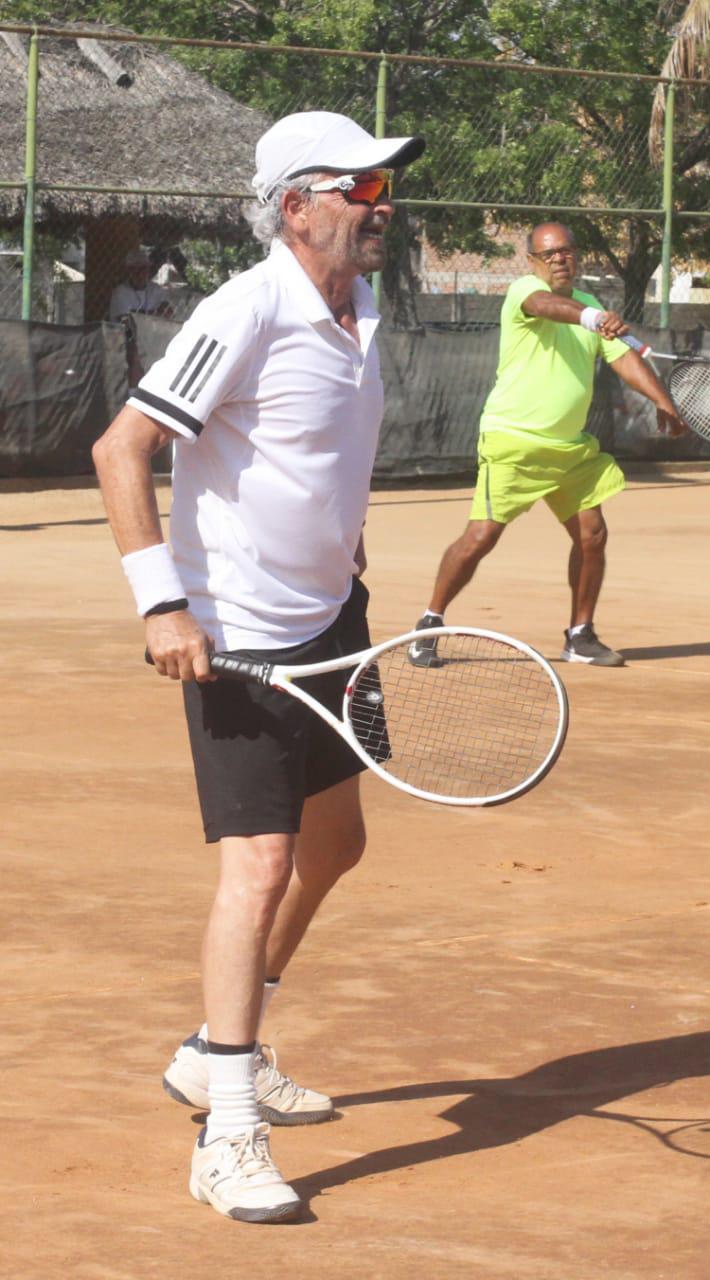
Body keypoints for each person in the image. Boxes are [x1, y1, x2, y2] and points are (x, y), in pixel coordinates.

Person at [92, 111, 425, 1224]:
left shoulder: (365, 309)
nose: (382, 206)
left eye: (384, 188)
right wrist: (162, 605)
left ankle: (208, 1049)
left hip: (336, 618)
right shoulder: (246, 305)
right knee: (262, 867)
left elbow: (316, 457)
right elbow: (120, 447)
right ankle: (227, 1125)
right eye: (362, 190)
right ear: (296, 203)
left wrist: (347, 545)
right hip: (235, 637)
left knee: (340, 844)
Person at [408, 222, 687, 669]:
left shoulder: (592, 305)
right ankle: (428, 623)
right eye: (549, 253)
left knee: (592, 534)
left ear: (577, 257)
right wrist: (593, 318)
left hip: (569, 449)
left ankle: (580, 635)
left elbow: (625, 359)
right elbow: (547, 306)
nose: (559, 259)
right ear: (534, 261)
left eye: (566, 252)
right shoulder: (525, 291)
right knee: (481, 537)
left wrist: (663, 402)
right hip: (513, 441)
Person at [109, 248, 174, 390]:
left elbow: (168, 312)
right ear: (129, 271)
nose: (140, 273)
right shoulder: (121, 292)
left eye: (143, 268)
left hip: (154, 336)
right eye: (135, 269)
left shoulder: (155, 289)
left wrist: (141, 316)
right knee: (136, 349)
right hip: (128, 338)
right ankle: (134, 392)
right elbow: (126, 321)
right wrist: (154, 314)